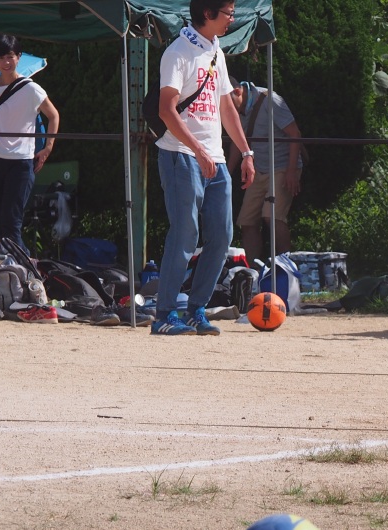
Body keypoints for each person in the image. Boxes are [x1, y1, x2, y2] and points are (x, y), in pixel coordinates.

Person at [151, 0, 255, 337]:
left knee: (222, 235)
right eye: (228, 13)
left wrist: (246, 152)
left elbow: (226, 107)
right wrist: (198, 150)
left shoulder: (216, 50)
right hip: (181, 154)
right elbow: (166, 110)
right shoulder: (177, 51)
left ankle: (196, 309)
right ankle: (164, 314)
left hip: (215, 159)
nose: (232, 19)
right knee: (185, 234)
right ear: (208, 14)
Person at [0, 34, 60, 250]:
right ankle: (19, 262)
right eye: (1, 58)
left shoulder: (31, 89)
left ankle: (20, 266)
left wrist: (48, 148)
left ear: (18, 57)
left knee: (11, 221)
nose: (6, 62)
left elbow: (53, 115)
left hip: (21, 162)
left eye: (10, 56)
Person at [227, 78, 302, 267]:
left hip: (282, 167)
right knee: (247, 221)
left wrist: (291, 171)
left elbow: (295, 134)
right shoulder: (235, 110)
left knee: (272, 217)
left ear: (237, 92)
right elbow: (237, 143)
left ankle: (286, 268)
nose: (224, 107)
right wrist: (226, 173)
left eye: (226, 101)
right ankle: (252, 271)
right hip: (259, 169)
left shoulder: (270, 100)